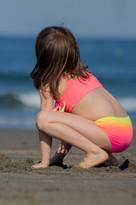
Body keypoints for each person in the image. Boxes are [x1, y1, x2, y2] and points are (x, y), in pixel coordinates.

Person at [30, 26, 133, 169]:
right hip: (126, 129)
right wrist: (58, 157)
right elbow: (71, 124)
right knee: (65, 116)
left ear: (42, 55)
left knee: (42, 118)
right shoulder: (84, 75)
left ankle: (94, 152)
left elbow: (45, 126)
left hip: (108, 132)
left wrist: (45, 161)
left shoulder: (48, 82)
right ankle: (107, 158)